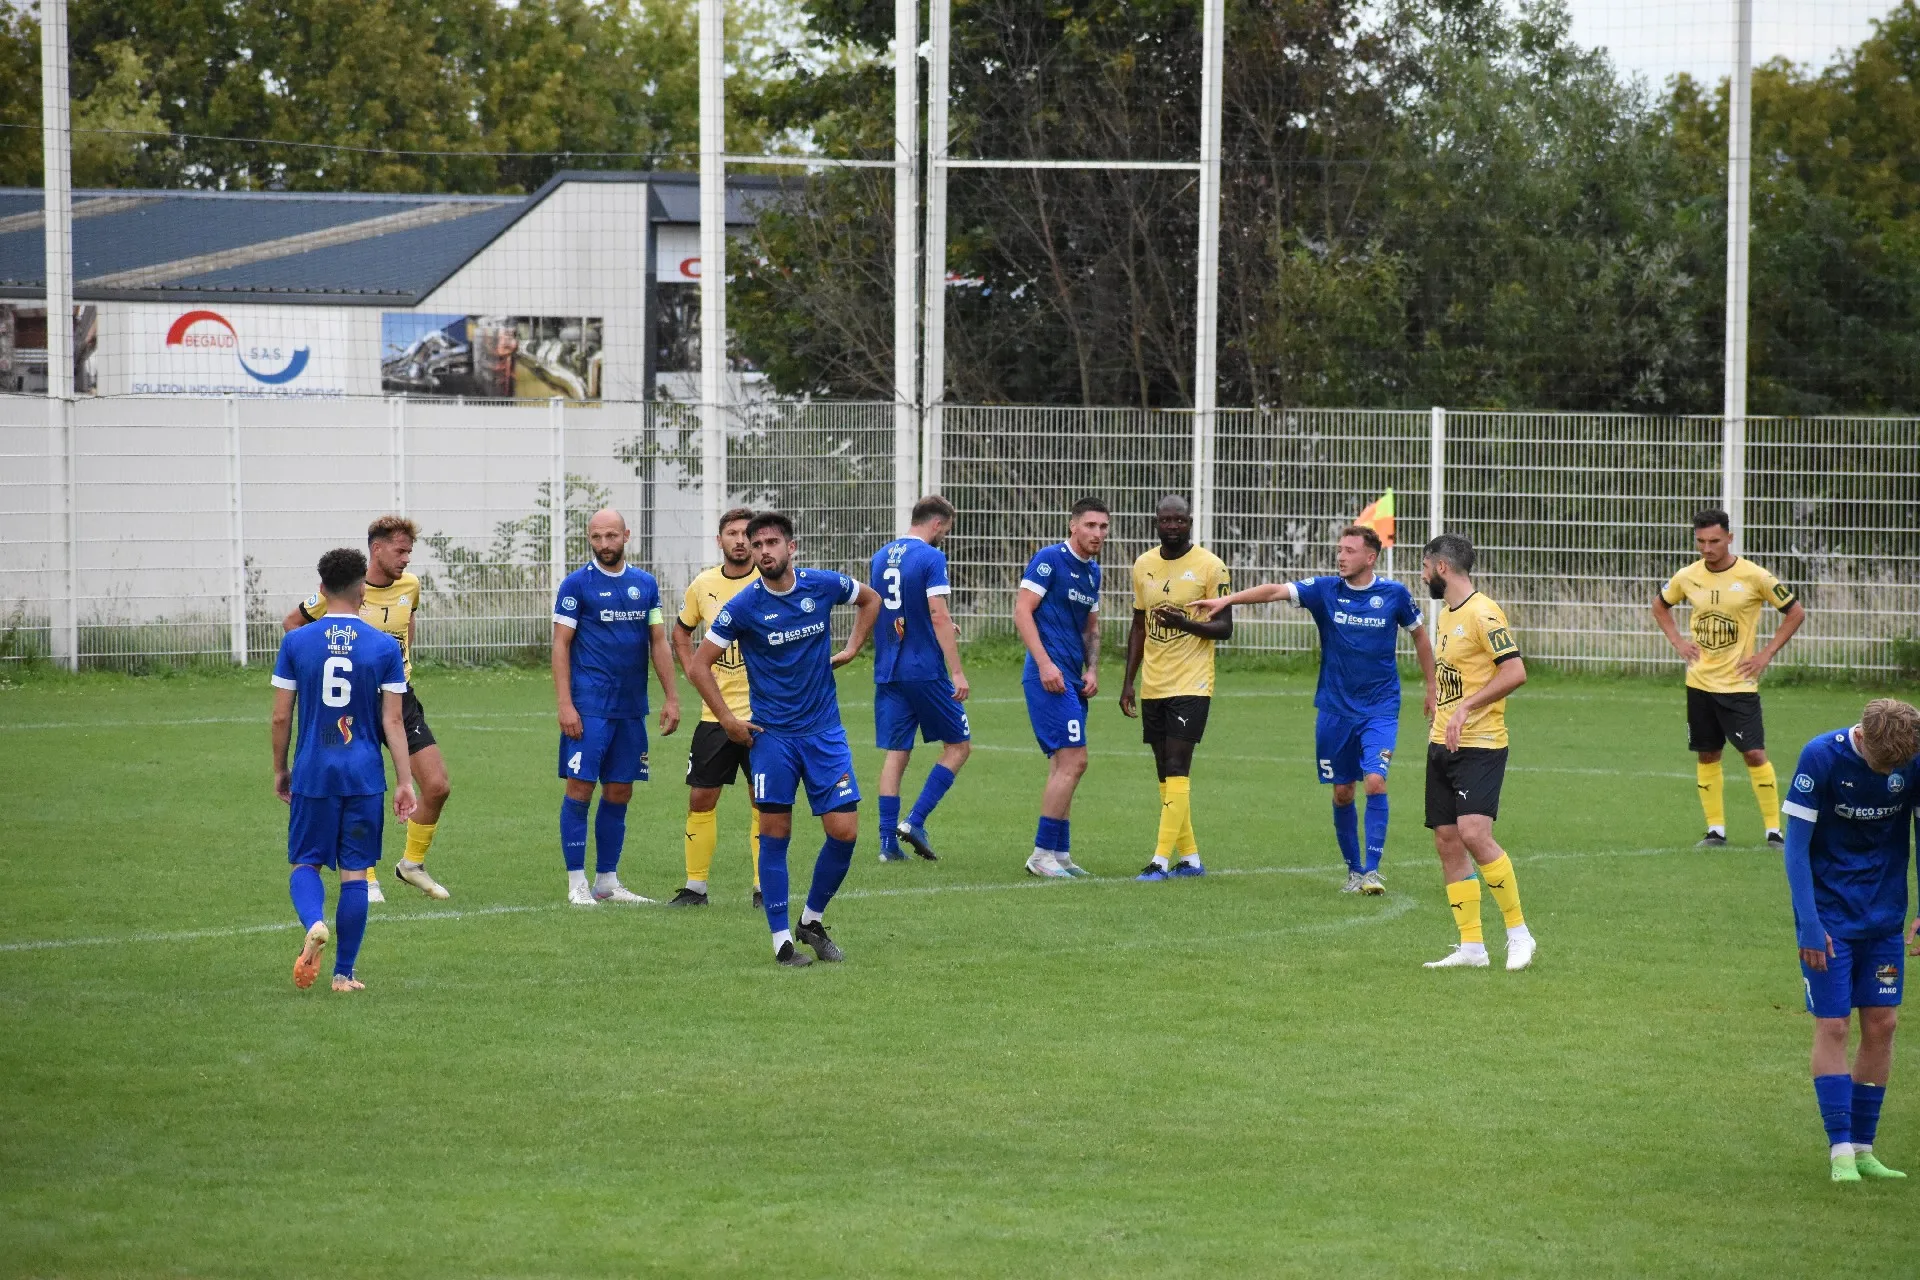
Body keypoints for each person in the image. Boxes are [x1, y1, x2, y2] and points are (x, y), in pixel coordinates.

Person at [687, 512, 881, 967]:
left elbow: (870, 600)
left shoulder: (822, 585)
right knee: (775, 834)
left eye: (771, 543)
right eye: (757, 545)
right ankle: (781, 943)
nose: (763, 551)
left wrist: (853, 648)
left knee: (845, 832)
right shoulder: (744, 606)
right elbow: (698, 665)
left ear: (791, 547)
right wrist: (728, 720)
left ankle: (811, 921)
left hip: (824, 733)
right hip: (773, 738)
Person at [1199, 525, 1435, 894]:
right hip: (1334, 710)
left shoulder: (1394, 594)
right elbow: (1275, 591)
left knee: (1375, 780)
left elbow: (1420, 635)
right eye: (1340, 549)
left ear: (1370, 557)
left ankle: (1372, 872)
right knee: (1343, 792)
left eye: (1349, 551)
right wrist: (1227, 601)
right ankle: (1354, 871)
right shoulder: (1325, 590)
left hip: (1380, 708)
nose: (1341, 556)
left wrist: (1432, 686)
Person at [1780, 698, 1920, 1182]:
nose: (1892, 773)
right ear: (1862, 736)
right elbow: (1796, 847)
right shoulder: (1820, 757)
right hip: (1830, 919)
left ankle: (1864, 1148)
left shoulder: (1911, 757)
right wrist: (1808, 924)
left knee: (1883, 1024)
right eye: (1885, 765)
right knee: (1834, 1025)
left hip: (1884, 917)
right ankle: (1839, 1150)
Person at [283, 514, 451, 903]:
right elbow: (292, 624)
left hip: (399, 697)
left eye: (409, 551)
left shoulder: (411, 586)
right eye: (400, 551)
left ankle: (411, 865)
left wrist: (400, 667)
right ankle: (366, 876)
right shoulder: (345, 591)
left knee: (437, 786)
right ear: (377, 549)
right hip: (353, 700)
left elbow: (406, 625)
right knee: (359, 786)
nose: (406, 558)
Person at [270, 547, 416, 993]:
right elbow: (393, 721)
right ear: (361, 592)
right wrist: (405, 781)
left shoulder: (297, 642)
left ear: (321, 589)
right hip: (363, 774)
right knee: (355, 873)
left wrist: (281, 769)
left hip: (314, 770)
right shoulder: (384, 646)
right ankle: (343, 974)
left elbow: (281, 716)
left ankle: (315, 922)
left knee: (306, 862)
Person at [1652, 508, 1807, 848]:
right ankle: (1715, 831)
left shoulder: (1755, 576)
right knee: (1707, 753)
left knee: (1754, 753)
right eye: (1701, 541)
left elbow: (1795, 612)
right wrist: (1678, 642)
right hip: (1699, 683)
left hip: (1739, 685)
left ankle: (1774, 831)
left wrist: (1765, 654)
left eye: (1714, 541)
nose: (1707, 548)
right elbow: (1660, 606)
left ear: (1729, 538)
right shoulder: (1687, 576)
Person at [551, 508, 681, 906]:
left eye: (611, 536)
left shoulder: (645, 584)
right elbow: (561, 645)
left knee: (621, 789)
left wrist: (671, 697)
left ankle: (607, 881)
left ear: (626, 535)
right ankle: (576, 882)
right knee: (580, 787)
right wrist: (565, 704)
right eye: (596, 537)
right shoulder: (576, 585)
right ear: (589, 539)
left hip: (630, 708)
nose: (604, 544)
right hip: (589, 706)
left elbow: (658, 641)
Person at [1418, 534, 1536, 971]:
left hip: (1481, 743)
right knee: (1447, 840)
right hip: (1443, 743)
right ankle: (1471, 947)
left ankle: (1519, 934)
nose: (1422, 576)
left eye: (1424, 567)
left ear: (1441, 567)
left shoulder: (1484, 613)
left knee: (1474, 833)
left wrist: (1466, 707)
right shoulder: (1447, 614)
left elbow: (1515, 671)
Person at [1119, 495, 1231, 881]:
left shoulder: (1210, 566)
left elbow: (1225, 628)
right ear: (1156, 523)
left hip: (1192, 683)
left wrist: (1184, 624)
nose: (1172, 526)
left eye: (1179, 520)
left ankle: (1159, 860)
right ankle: (1191, 859)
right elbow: (1138, 625)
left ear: (1190, 523)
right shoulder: (1143, 565)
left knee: (1177, 766)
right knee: (1164, 774)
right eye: (1165, 520)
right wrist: (1128, 682)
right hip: (1154, 683)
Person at [669, 506, 763, 908]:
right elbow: (681, 632)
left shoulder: (770, 580)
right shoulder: (703, 584)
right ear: (719, 540)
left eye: (746, 534)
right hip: (715, 714)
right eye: (732, 533)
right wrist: (694, 670)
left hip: (764, 715)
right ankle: (695, 888)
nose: (740, 540)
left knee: (764, 801)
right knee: (701, 799)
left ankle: (763, 888)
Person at [871, 495, 972, 863]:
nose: (945, 536)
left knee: (897, 751)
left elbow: (895, 608)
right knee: (959, 746)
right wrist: (956, 671)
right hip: (924, 669)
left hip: (889, 668)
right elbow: (936, 612)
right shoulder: (931, 557)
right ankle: (914, 821)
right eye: (947, 529)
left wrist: (936, 625)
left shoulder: (881, 557)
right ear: (937, 524)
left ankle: (887, 844)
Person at [1015, 498, 1110, 879]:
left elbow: (1091, 628)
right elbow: (1022, 611)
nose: (1098, 533)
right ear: (1073, 526)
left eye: (1103, 527)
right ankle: (1041, 855)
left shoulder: (1093, 573)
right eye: (1090, 525)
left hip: (1072, 677)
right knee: (1074, 761)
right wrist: (1044, 663)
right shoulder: (1049, 559)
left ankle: (1060, 853)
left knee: (1064, 764)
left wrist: (1093, 669)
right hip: (1048, 677)